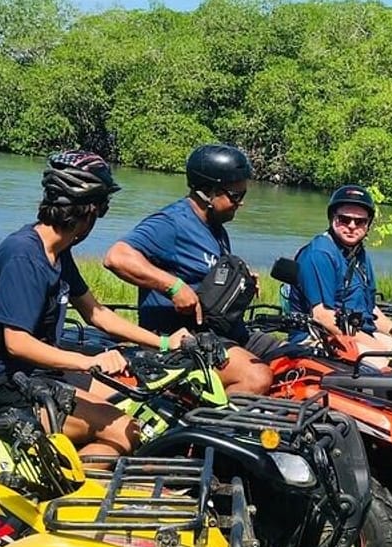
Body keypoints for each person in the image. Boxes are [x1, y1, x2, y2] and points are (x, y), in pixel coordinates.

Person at [0, 151, 184, 458]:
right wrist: (88, 361)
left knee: (144, 398)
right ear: (90, 210)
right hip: (3, 385)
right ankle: (69, 493)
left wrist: (164, 343)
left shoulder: (56, 251)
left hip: (40, 373)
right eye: (102, 208)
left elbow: (97, 314)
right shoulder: (24, 257)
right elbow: (17, 343)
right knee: (128, 431)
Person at [103, 143, 272, 394]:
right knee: (257, 377)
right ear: (208, 192)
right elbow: (117, 257)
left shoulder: (217, 229)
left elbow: (209, 276)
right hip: (180, 336)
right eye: (236, 196)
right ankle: (201, 427)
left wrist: (240, 283)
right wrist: (173, 286)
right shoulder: (171, 224)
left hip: (217, 331)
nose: (241, 203)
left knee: (296, 359)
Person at [287, 184, 392, 359]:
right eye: (344, 219)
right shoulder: (319, 254)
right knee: (384, 367)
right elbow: (323, 317)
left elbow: (370, 309)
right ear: (332, 218)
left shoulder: (358, 254)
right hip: (319, 337)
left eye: (360, 221)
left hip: (357, 333)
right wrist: (379, 349)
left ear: (368, 225)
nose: (351, 226)